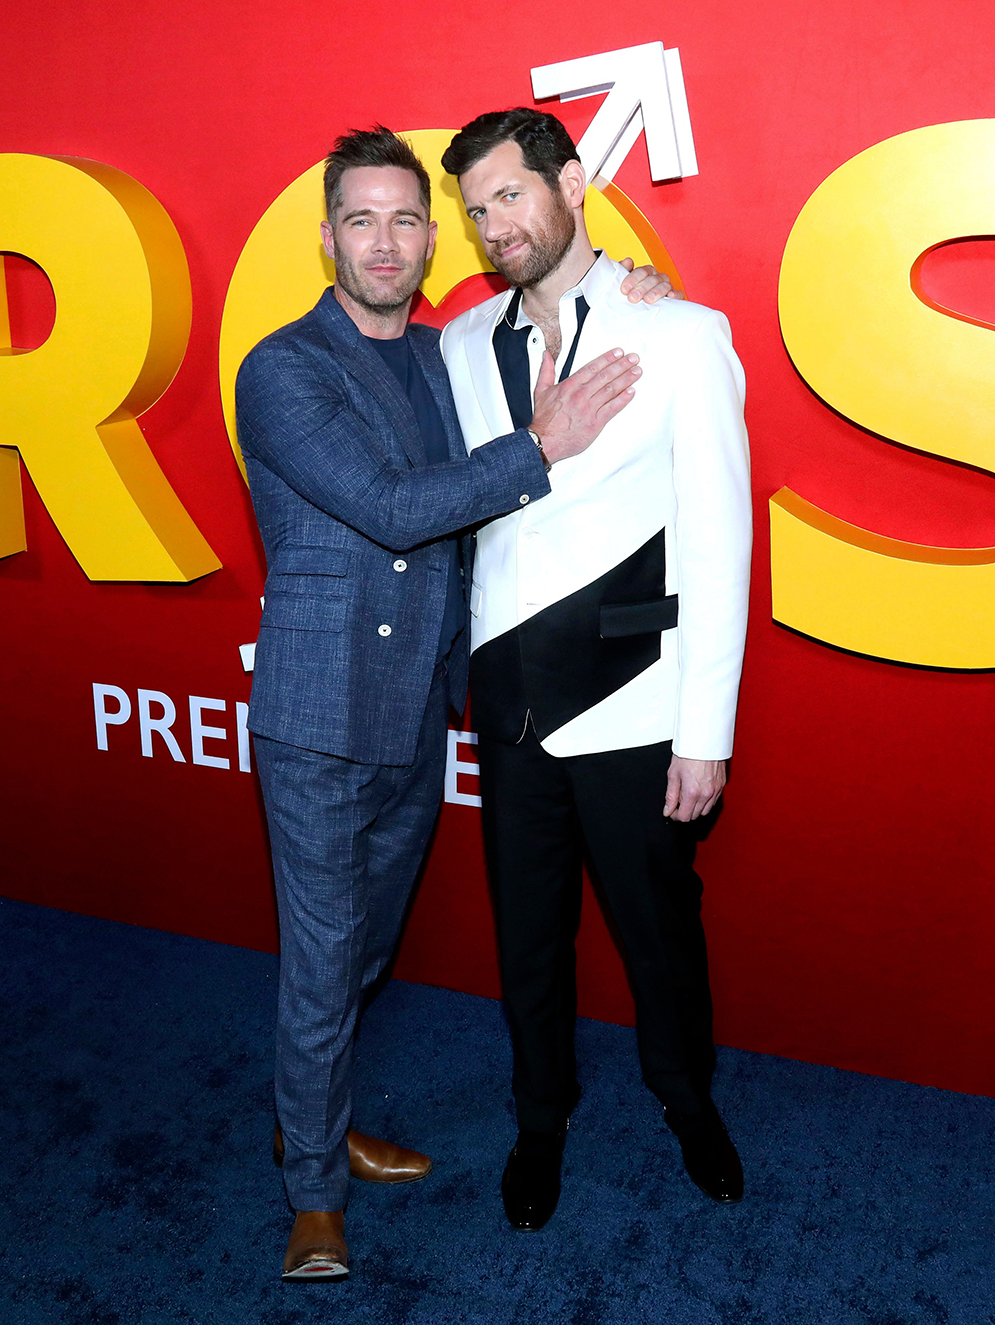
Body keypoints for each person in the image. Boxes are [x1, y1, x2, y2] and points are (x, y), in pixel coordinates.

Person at [235, 125, 672, 1279]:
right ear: (327, 238)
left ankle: (309, 1115)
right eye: (362, 219)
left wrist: (636, 288)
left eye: (408, 218)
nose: (386, 239)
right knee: (325, 961)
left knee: (364, 950)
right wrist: (542, 440)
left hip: (417, 710)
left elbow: (549, 305)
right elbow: (387, 504)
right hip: (319, 717)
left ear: (434, 243)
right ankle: (313, 1194)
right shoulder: (283, 367)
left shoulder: (442, 355)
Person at [439, 108, 752, 1230]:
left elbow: (719, 536)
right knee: (526, 933)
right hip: (509, 695)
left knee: (660, 933)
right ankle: (540, 1117)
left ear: (570, 182)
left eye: (510, 195)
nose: (493, 225)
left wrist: (703, 729)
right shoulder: (460, 345)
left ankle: (687, 1102)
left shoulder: (682, 332)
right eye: (474, 209)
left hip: (634, 694)